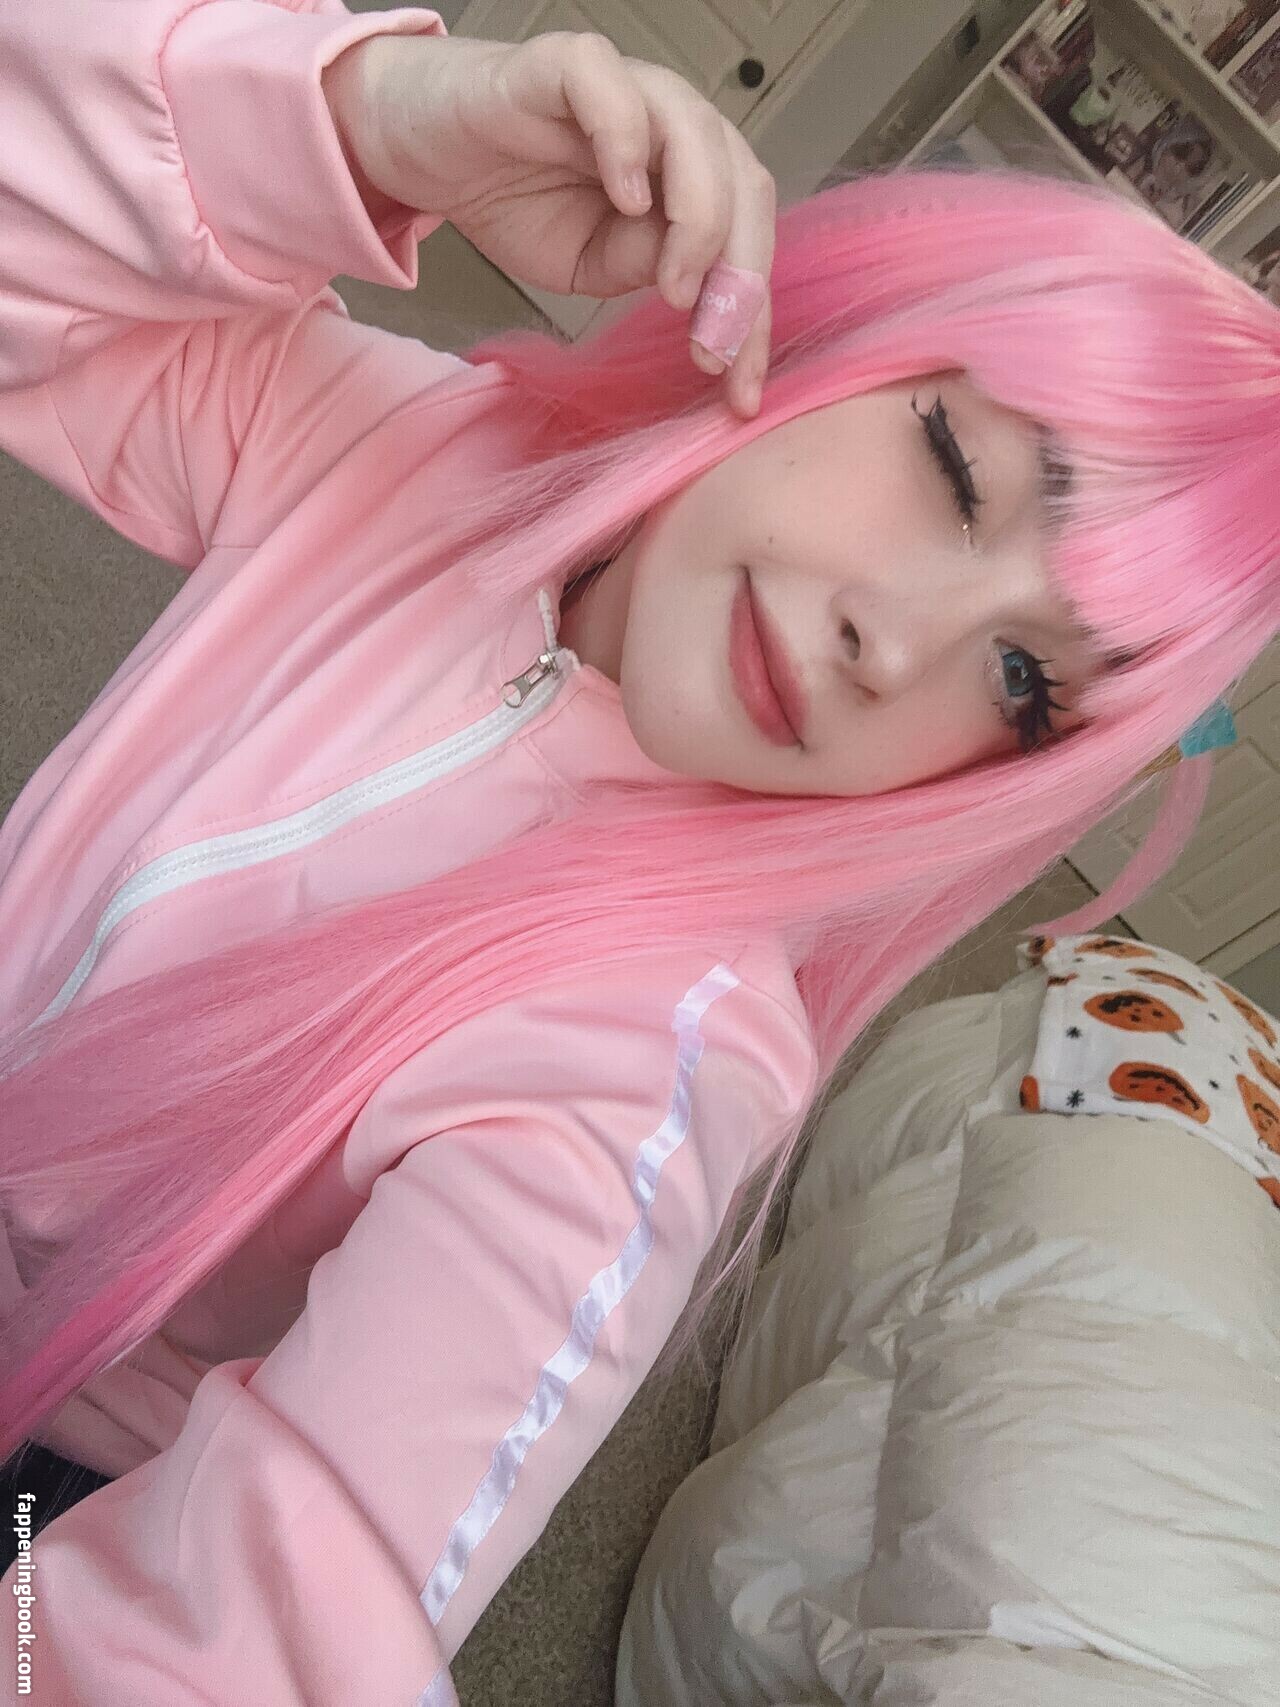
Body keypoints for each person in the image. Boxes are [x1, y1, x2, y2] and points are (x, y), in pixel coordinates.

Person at [0, 3, 1275, 1702]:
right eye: (957, 471)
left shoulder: (649, 1073)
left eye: (1025, 684)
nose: (896, 648)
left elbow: (256, 1641)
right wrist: (367, 122)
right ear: (839, 336)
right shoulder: (414, 453)